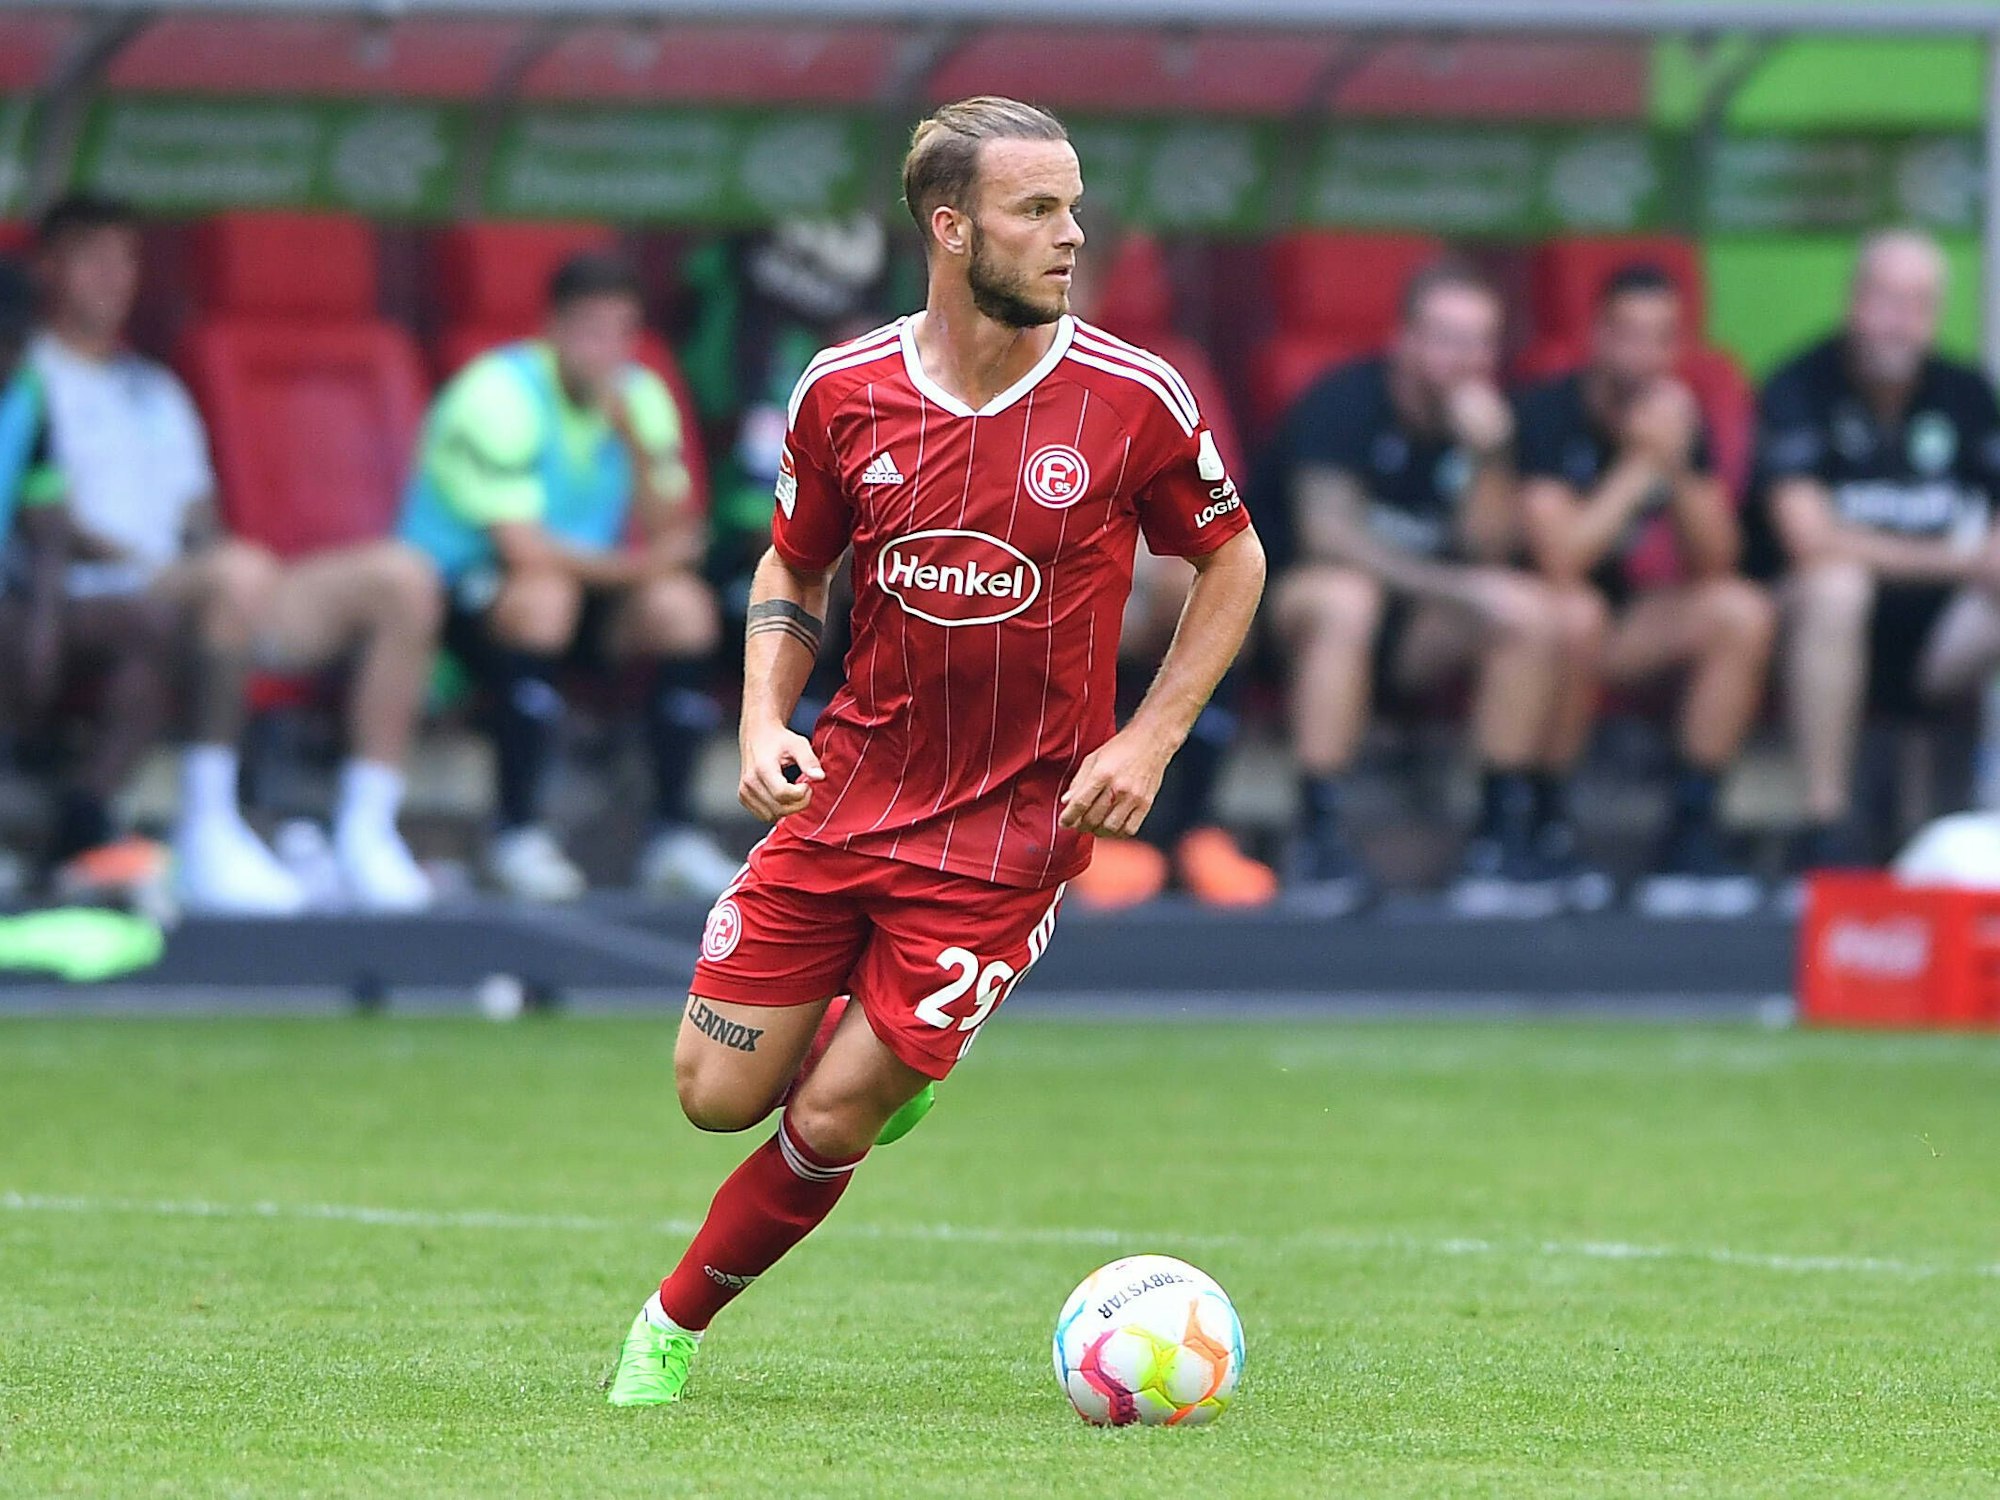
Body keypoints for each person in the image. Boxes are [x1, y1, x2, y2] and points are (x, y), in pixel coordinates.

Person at [605, 96, 1265, 1406]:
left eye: (1075, 205)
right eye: (1038, 211)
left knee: (832, 1116)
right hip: (850, 792)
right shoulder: (844, 390)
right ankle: (883, 1038)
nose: (1073, 235)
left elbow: (1232, 559)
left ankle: (664, 1335)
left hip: (1014, 831)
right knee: (713, 1096)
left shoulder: (1131, 399)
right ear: (952, 230)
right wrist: (758, 718)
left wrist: (1150, 737)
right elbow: (795, 561)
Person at [31, 194, 440, 914]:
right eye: (92, 257)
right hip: (95, 589)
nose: (112, 277)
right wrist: (205, 569)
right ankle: (208, 822)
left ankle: (367, 829)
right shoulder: (27, 373)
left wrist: (226, 569)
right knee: (237, 573)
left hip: (200, 582)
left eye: (125, 259)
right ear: (50, 267)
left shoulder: (153, 387)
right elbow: (46, 514)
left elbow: (199, 514)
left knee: (401, 578)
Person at [401, 251, 735, 902]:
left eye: (621, 332)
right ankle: (516, 832)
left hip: (584, 595)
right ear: (551, 329)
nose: (605, 350)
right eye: (588, 330)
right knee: (544, 598)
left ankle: (673, 834)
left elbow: (676, 531)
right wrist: (641, 566)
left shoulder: (639, 395)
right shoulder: (495, 393)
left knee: (683, 609)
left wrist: (636, 442)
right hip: (461, 605)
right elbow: (521, 550)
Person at [1257, 260, 1586, 916]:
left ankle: (1498, 841)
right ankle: (1316, 837)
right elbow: (1326, 535)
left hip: (1411, 633)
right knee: (1349, 598)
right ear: (1403, 339)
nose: (1464, 359)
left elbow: (1488, 548)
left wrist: (1489, 459)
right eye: (1446, 338)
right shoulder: (1345, 400)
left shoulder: (1489, 426)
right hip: (1291, 617)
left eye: (1479, 342)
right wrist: (1451, 588)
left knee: (1534, 613)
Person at [1515, 265, 1775, 916]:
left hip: (1623, 620)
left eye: (1661, 338)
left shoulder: (1678, 423)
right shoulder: (1547, 411)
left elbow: (1718, 561)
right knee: (1576, 613)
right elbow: (1560, 561)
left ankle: (1691, 827)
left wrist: (1680, 467)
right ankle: (1539, 824)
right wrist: (1638, 470)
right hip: (1533, 629)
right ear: (1597, 336)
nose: (1643, 355)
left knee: (1740, 612)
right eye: (1628, 334)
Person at [1748, 229, 2000, 866]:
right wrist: (1959, 560)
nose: (1898, 320)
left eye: (1917, 303)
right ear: (1854, 299)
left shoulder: (1966, 394)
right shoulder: (1799, 385)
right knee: (1838, 586)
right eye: (1885, 298)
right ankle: (1825, 823)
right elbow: (1809, 538)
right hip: (1809, 627)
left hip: (1942, 636)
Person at [0, 254, 170, 898]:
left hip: (11, 598)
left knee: (152, 624)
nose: (11, 361)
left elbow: (46, 524)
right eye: (3, 345)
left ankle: (84, 819)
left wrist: (45, 623)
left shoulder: (28, 394)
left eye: (20, 345)